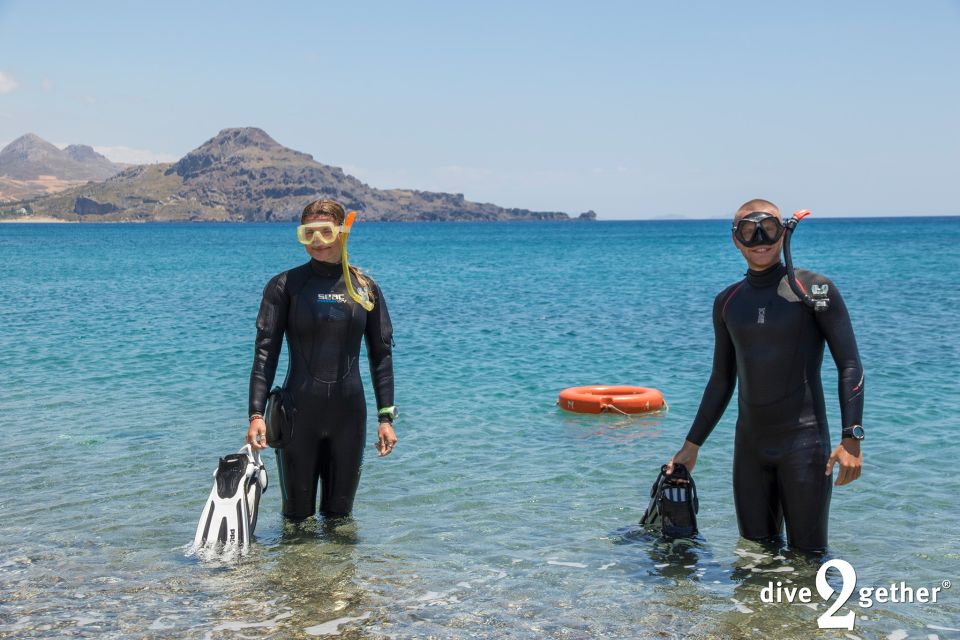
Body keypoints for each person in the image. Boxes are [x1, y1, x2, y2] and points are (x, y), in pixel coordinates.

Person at [666, 198, 864, 553]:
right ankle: (759, 612)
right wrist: (691, 445)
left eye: (769, 228)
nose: (760, 238)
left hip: (804, 446)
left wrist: (852, 437)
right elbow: (721, 380)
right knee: (754, 555)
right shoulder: (727, 301)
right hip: (750, 450)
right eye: (748, 230)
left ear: (783, 231)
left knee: (809, 559)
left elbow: (849, 365)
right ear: (735, 239)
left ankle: (806, 610)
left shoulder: (814, 289)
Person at [246, 198, 398, 520]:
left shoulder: (365, 289)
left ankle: (340, 571)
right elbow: (265, 353)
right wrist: (256, 414)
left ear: (343, 233)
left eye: (325, 232)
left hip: (349, 418)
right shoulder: (284, 287)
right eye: (308, 233)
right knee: (296, 518)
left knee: (340, 519)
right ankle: (292, 571)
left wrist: (386, 418)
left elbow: (381, 355)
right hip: (296, 417)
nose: (316, 242)